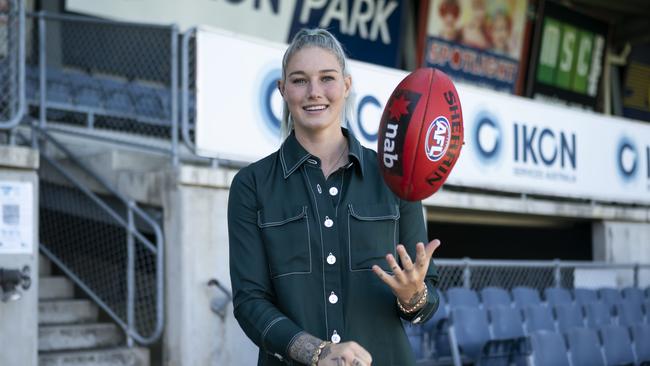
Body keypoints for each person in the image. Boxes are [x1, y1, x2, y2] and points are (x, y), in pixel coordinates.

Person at [228, 28, 441, 366]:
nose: (314, 92)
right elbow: (249, 303)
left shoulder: (395, 176)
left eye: (327, 78)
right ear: (283, 90)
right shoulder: (250, 186)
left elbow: (427, 304)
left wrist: (413, 295)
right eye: (299, 81)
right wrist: (317, 352)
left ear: (346, 85)